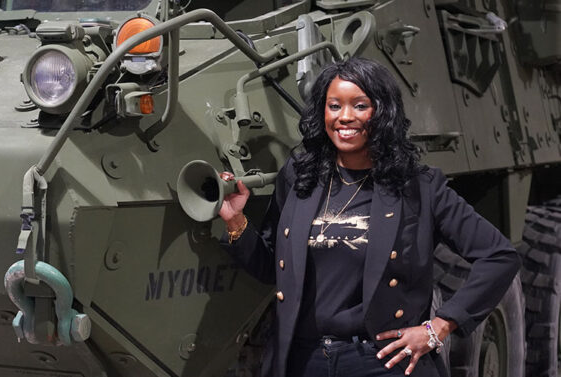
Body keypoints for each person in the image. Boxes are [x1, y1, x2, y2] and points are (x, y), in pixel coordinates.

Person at [219, 57, 520, 377]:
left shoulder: (419, 186)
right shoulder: (299, 178)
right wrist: (235, 220)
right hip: (303, 361)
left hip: (381, 362)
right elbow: (273, 270)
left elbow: (499, 256)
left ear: (382, 112)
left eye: (359, 106)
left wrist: (439, 328)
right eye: (334, 106)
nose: (345, 117)